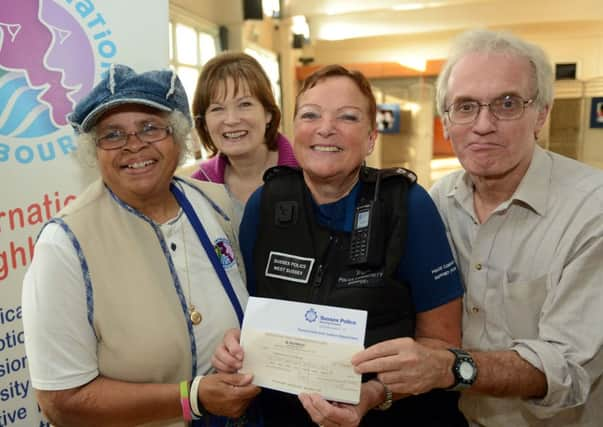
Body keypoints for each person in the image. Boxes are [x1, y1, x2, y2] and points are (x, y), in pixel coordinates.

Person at [355, 29, 603, 426]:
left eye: (507, 103)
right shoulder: (436, 201)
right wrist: (378, 387)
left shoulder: (591, 211)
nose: (483, 124)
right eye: (466, 106)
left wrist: (451, 368)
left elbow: (567, 369)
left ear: (541, 113)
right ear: (447, 121)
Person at [213, 64, 468, 427]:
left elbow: (442, 344)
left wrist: (378, 393)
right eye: (310, 115)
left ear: (370, 138)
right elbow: (250, 316)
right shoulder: (265, 204)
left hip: (392, 414)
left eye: (347, 117)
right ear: (293, 130)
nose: (325, 127)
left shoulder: (406, 205)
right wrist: (235, 345)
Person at [21, 64, 261, 427]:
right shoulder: (65, 245)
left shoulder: (214, 204)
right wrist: (191, 397)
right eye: (112, 134)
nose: (134, 145)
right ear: (94, 151)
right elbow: (61, 402)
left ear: (179, 138)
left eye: (150, 127)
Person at [191, 52, 298, 227]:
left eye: (245, 105)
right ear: (204, 123)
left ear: (268, 113)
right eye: (217, 109)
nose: (232, 120)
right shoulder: (198, 187)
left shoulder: (306, 171)